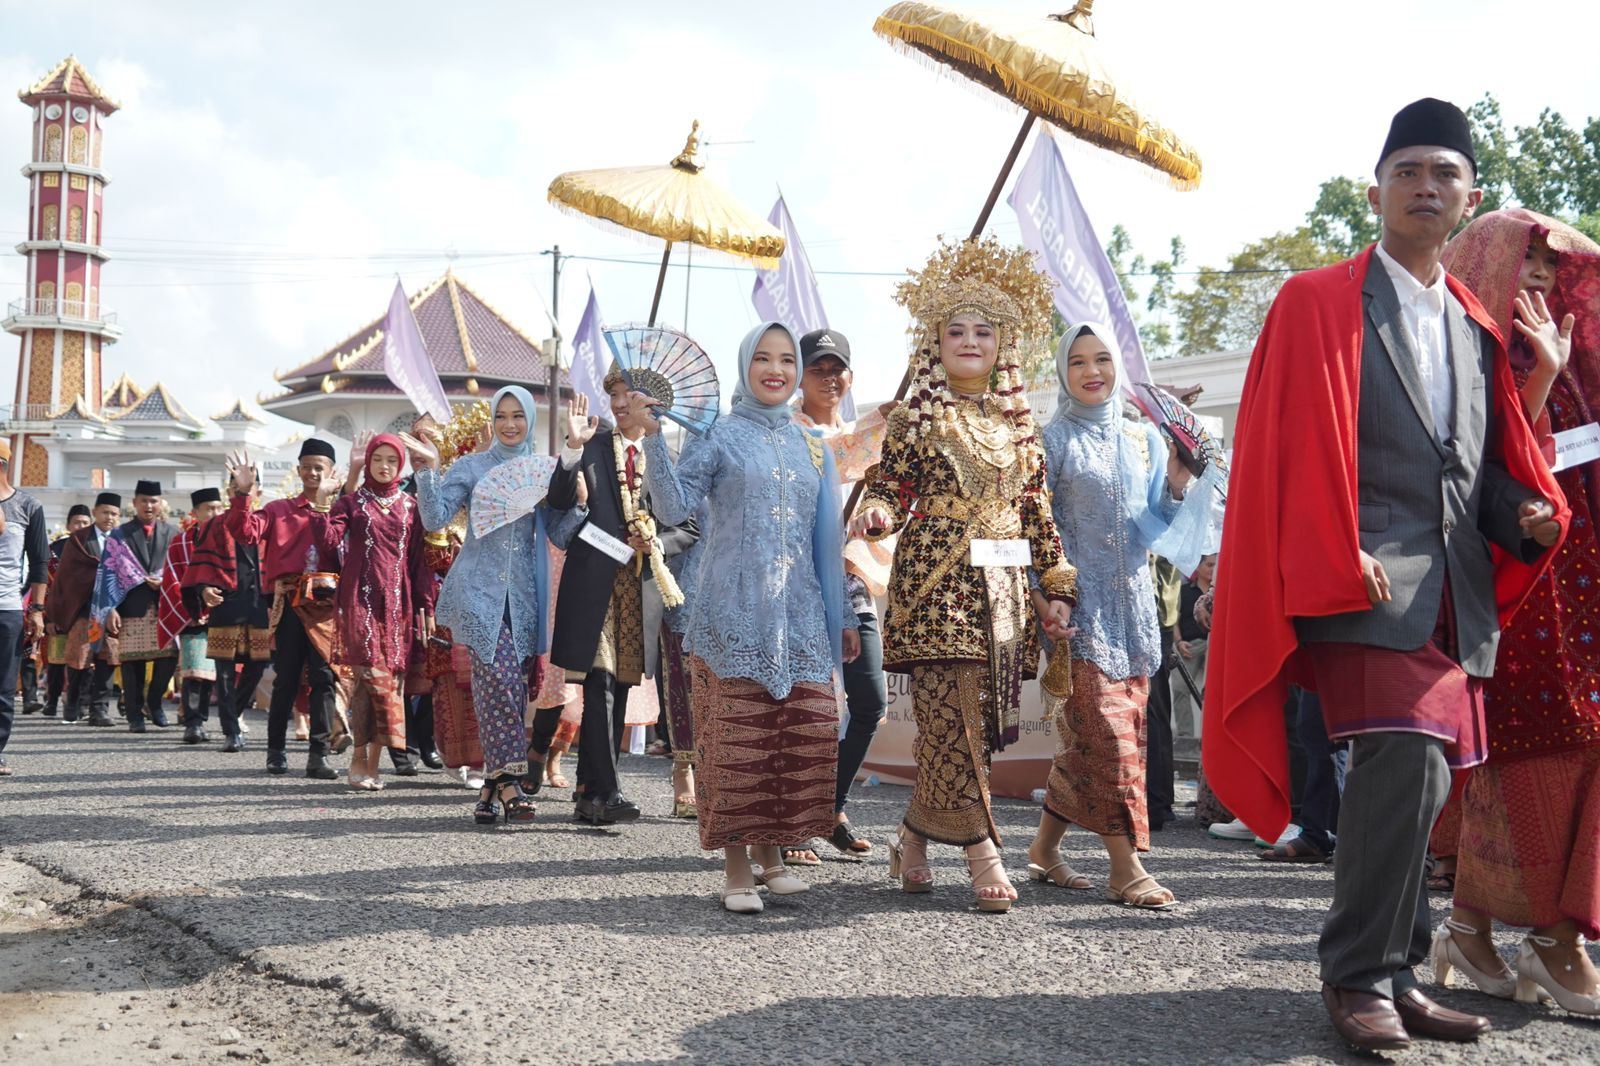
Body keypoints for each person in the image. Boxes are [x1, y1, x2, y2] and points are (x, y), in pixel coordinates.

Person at [1204, 98, 1566, 1052]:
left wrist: (1520, 514)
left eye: (1443, 173)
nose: (1424, 185)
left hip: (1452, 591)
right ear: (1376, 191)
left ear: (1470, 198)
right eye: (1406, 169)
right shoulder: (1316, 298)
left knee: (1428, 785)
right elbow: (1285, 448)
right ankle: (1356, 975)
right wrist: (1327, 545)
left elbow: (1482, 469)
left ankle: (1399, 972)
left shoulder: (1475, 325)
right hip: (1358, 578)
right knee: (1401, 764)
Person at [855, 238, 1076, 914]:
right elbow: (888, 484)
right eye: (956, 330)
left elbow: (1036, 511)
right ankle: (984, 849)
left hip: (1004, 596)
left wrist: (1056, 582)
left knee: (969, 727)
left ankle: (913, 838)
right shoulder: (919, 415)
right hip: (934, 589)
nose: (970, 340)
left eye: (984, 330)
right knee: (948, 713)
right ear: (936, 342)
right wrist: (877, 509)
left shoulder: (1019, 426)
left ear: (1004, 343)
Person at [1426, 207, 1600, 1015]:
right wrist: (1536, 376)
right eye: (1523, 261)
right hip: (1518, 586)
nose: (1537, 277)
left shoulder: (1569, 359)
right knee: (1538, 745)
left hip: (1584, 581)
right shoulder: (1466, 356)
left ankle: (1469, 928)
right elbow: (1487, 477)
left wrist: (1560, 367)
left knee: (1565, 744)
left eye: (1547, 266)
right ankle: (1551, 942)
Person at [640, 320, 859, 913]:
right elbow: (675, 505)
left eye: (787, 360)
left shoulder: (810, 442)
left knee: (790, 732)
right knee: (736, 739)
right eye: (763, 357)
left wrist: (838, 616)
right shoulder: (718, 435)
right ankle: (737, 868)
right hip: (732, 613)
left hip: (799, 616)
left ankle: (773, 856)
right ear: (745, 366)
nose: (777, 369)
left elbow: (824, 540)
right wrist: (654, 439)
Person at [1024, 321, 1205, 908]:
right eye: (1077, 361)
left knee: (1092, 741)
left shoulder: (1141, 439)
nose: (1091, 370)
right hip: (1073, 611)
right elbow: (1031, 532)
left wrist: (1176, 482)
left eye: (1101, 359)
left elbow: (1153, 525)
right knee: (1109, 736)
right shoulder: (1047, 442)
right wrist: (1040, 600)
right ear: (1062, 373)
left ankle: (1044, 849)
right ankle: (1126, 867)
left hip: (1135, 610)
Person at [547, 366, 700, 825]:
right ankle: (609, 790)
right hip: (595, 581)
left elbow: (687, 528)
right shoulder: (591, 444)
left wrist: (654, 541)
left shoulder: (665, 458)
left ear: (653, 407)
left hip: (639, 586)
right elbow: (556, 503)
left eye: (628, 397)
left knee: (619, 684)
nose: (617, 404)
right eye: (613, 394)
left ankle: (591, 794)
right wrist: (571, 448)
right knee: (599, 681)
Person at [408, 386, 552, 824]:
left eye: (518, 416)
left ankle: (488, 789)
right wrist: (430, 471)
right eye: (502, 416)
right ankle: (511, 782)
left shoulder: (543, 472)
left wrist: (577, 498)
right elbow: (435, 519)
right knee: (501, 678)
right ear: (492, 420)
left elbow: (562, 533)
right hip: (476, 590)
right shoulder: (471, 467)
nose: (510, 424)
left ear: (530, 420)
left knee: (507, 688)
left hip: (524, 597)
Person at [785, 328, 893, 862]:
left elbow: (883, 503)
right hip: (797, 584)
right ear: (799, 376)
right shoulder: (788, 431)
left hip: (851, 584)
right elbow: (832, 458)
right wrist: (876, 428)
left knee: (869, 702)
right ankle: (792, 822)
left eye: (838, 369)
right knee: (807, 706)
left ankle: (830, 806)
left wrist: (877, 516)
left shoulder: (867, 437)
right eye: (818, 368)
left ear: (851, 377)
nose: (829, 378)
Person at [313, 434, 434, 792]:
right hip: (359, 601)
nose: (384, 466)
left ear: (401, 465)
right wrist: (323, 502)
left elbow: (419, 564)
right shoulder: (352, 503)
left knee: (389, 683)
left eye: (392, 461)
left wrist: (426, 606)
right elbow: (328, 545)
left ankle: (371, 764)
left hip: (397, 606)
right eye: (377, 459)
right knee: (372, 678)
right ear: (367, 462)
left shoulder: (411, 507)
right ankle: (356, 760)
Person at [225, 440, 342, 779]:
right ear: (299, 469)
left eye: (320, 466)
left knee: (323, 678)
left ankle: (318, 755)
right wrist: (243, 495)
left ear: (331, 471)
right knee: (286, 678)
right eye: (307, 465)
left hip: (326, 604)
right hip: (290, 600)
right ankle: (275, 751)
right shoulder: (278, 510)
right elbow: (244, 532)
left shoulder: (341, 510)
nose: (314, 472)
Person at [184, 472, 271, 754]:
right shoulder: (214, 525)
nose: (240, 491)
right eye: (234, 488)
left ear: (257, 489)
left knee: (257, 666)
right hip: (226, 603)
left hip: (260, 604)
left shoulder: (267, 521)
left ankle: (232, 711)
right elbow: (200, 568)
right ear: (229, 491)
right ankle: (231, 731)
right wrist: (204, 590)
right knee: (223, 671)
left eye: (246, 486)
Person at [104, 480, 180, 732]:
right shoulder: (119, 535)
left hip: (164, 607)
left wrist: (166, 582)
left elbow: (181, 569)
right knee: (132, 663)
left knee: (169, 659)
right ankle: (134, 714)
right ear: (135, 503)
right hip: (130, 606)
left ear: (160, 503)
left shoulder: (173, 533)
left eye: (153, 501)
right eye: (144, 501)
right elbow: (108, 573)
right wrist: (110, 608)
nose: (148, 506)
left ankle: (154, 703)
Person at [46, 493, 121, 728]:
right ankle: (74, 704)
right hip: (84, 608)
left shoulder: (122, 539)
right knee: (80, 658)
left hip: (114, 611)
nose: (109, 518)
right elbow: (68, 575)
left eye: (114, 514)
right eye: (105, 512)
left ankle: (99, 709)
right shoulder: (79, 539)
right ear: (95, 512)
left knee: (108, 658)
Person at [167, 488, 227, 744]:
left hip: (224, 614)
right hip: (193, 617)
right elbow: (173, 580)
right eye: (208, 508)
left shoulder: (231, 539)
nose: (214, 513)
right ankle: (193, 723)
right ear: (196, 513)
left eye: (218, 507)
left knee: (219, 674)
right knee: (193, 673)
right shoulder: (181, 543)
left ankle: (225, 723)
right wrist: (190, 611)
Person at [0, 439, 44, 777]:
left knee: (3, 687)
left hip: (8, 608)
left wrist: (37, 609)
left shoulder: (27, 506)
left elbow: (40, 561)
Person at [36, 505, 93, 719]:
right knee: (57, 661)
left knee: (85, 661)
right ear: (69, 525)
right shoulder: (54, 550)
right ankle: (52, 700)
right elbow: (48, 587)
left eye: (85, 523)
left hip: (85, 613)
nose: (81, 526)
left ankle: (83, 703)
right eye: (77, 522)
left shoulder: (96, 547)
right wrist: (48, 616)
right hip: (59, 613)